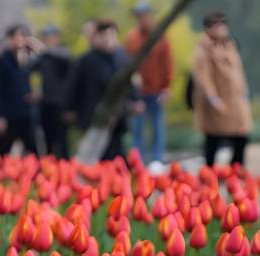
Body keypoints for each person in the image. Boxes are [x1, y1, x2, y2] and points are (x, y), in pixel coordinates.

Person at [63, 20, 133, 161]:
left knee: (117, 156)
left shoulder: (122, 58)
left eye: (111, 35)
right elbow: (73, 86)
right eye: (104, 35)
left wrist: (134, 101)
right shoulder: (86, 61)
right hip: (93, 117)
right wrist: (69, 108)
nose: (108, 39)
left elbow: (130, 85)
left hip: (116, 118)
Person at [192, 13, 252, 167]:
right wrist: (213, 98)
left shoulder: (229, 44)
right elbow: (203, 76)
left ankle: (236, 168)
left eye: (223, 24)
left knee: (241, 135)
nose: (221, 28)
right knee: (213, 137)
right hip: (217, 101)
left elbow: (238, 71)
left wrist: (244, 92)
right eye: (216, 25)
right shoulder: (203, 48)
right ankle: (210, 170)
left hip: (235, 100)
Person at [125, 1, 173, 164]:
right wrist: (132, 80)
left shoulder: (160, 37)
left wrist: (166, 87)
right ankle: (138, 163)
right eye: (139, 16)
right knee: (138, 129)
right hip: (138, 92)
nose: (142, 19)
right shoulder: (131, 38)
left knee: (157, 128)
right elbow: (126, 63)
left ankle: (157, 162)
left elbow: (168, 63)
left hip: (156, 91)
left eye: (145, 15)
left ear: (150, 16)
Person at [0, 24, 40, 154]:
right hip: (8, 114)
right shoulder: (1, 59)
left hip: (27, 113)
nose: (22, 40)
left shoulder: (30, 58)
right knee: (2, 152)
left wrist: (38, 49)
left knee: (33, 151)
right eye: (19, 36)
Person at [31, 25, 71, 158]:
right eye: (46, 38)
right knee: (47, 142)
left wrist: (44, 50)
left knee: (62, 143)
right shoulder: (42, 58)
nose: (49, 40)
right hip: (45, 104)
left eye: (51, 37)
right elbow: (28, 70)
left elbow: (66, 60)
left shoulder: (62, 53)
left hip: (61, 105)